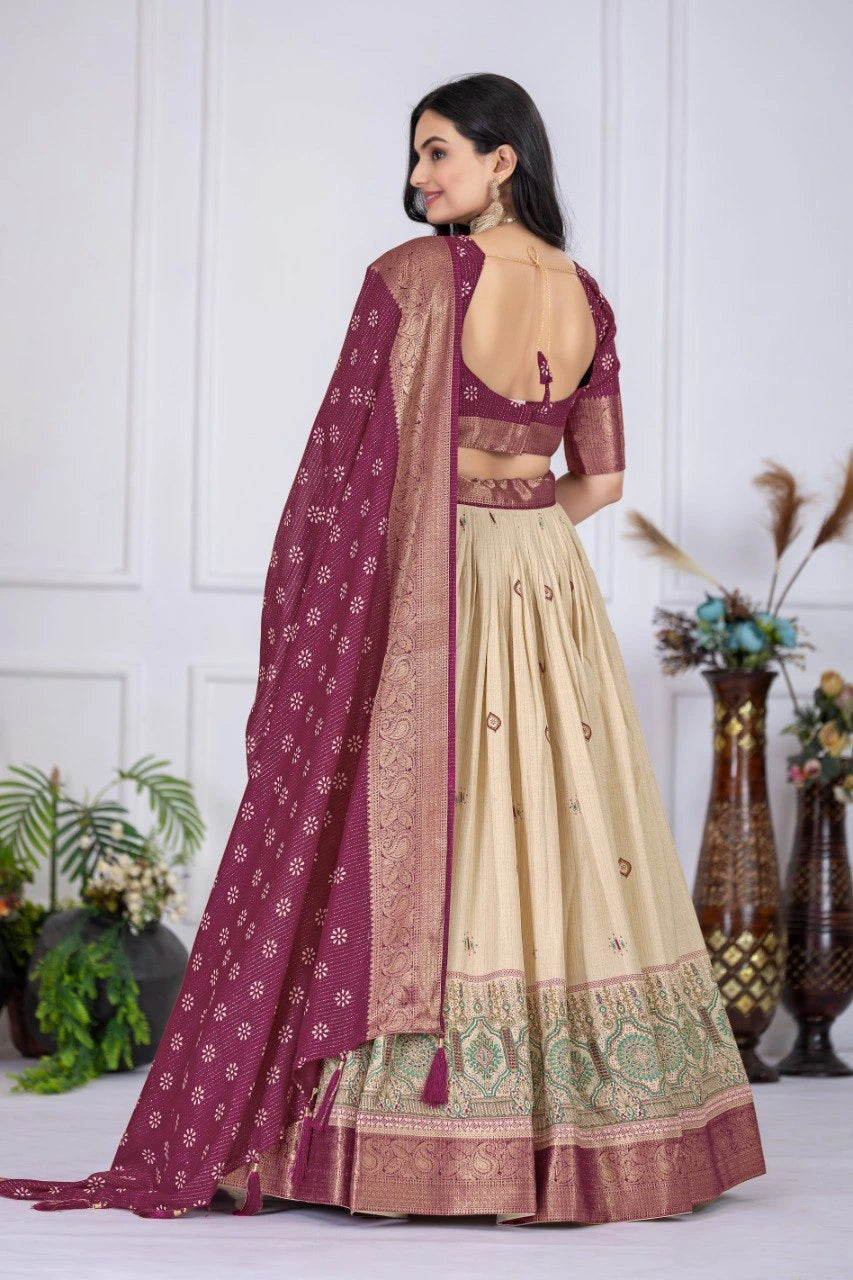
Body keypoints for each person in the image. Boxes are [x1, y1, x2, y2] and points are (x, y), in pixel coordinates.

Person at [0, 72, 766, 1224]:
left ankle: (408, 1130)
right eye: (416, 159)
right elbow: (601, 479)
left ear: (502, 159)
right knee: (551, 824)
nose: (418, 181)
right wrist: (519, 542)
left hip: (436, 574)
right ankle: (597, 1131)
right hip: (543, 582)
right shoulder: (587, 295)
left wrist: (391, 570)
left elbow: (338, 475)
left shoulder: (412, 281)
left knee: (428, 817)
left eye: (438, 154)